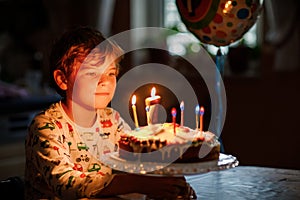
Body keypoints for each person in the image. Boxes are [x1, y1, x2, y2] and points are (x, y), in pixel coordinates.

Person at [25, 26, 196, 199]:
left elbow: (139, 160)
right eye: (92, 73)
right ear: (63, 80)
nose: (104, 82)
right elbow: (68, 184)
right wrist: (139, 183)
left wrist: (170, 184)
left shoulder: (112, 120)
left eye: (111, 73)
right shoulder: (47, 127)